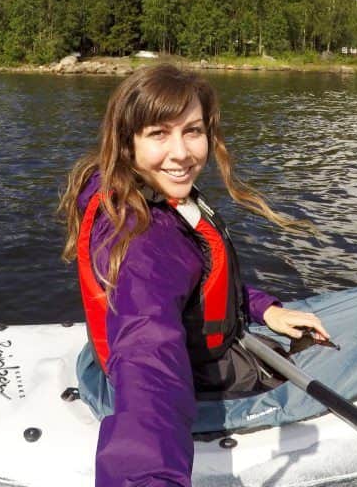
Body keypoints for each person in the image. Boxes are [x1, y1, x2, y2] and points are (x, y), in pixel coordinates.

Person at [60, 64, 329, 487]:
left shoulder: (135, 190)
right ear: (127, 142)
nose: (182, 152)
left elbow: (199, 282)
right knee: (325, 360)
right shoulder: (143, 240)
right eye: (158, 133)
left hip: (164, 351)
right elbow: (150, 356)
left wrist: (264, 309)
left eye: (193, 131)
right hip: (198, 373)